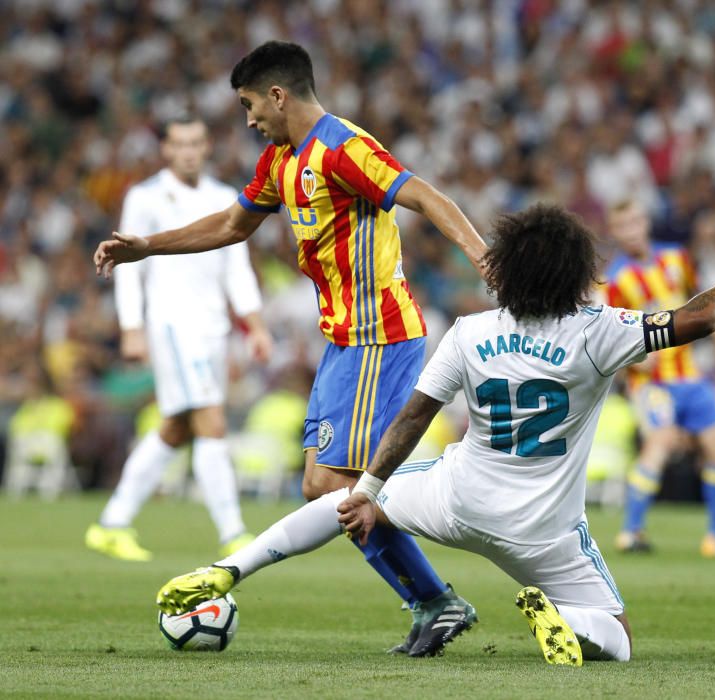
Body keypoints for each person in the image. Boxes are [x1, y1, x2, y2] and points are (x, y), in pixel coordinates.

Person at [153, 204, 715, 665]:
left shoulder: (471, 331)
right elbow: (700, 317)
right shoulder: (600, 330)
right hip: (543, 533)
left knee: (336, 500)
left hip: (456, 500)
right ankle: (567, 620)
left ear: (503, 269)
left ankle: (230, 567)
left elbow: (412, 417)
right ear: (576, 275)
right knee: (617, 632)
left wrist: (371, 490)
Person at [94, 41, 488, 656]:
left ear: (278, 95)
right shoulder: (281, 160)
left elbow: (427, 196)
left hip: (379, 336)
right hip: (343, 343)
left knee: (338, 483)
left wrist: (480, 254)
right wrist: (148, 247)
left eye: (251, 105)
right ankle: (434, 598)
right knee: (324, 487)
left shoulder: (343, 148)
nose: (248, 119)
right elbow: (231, 225)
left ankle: (438, 586)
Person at [85, 116, 273, 561]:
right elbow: (128, 267)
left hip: (212, 329)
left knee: (176, 427)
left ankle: (112, 523)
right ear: (166, 151)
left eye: (195, 142)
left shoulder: (222, 197)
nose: (188, 151)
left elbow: (237, 268)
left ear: (207, 147)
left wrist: (256, 325)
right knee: (211, 419)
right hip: (171, 325)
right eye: (179, 144)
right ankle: (234, 534)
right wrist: (131, 327)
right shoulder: (145, 197)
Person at [604, 199, 715, 557]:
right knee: (663, 439)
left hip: (690, 376)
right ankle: (631, 532)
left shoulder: (677, 259)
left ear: (645, 222)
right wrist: (634, 361)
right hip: (652, 383)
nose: (632, 231)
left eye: (635, 222)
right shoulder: (614, 280)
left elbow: (701, 306)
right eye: (623, 226)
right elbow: (609, 334)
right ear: (614, 232)